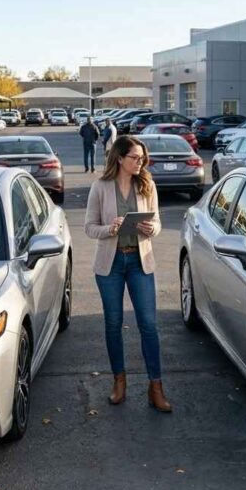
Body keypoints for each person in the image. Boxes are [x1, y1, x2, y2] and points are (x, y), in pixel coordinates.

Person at [84, 135, 172, 413]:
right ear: (120, 158)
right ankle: (119, 381)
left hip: (139, 262)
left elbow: (156, 221)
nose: (140, 162)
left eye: (142, 158)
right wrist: (111, 228)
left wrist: (151, 229)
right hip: (110, 265)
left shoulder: (147, 185)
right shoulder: (100, 186)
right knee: (113, 324)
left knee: (148, 324)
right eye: (135, 157)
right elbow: (89, 227)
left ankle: (155, 386)